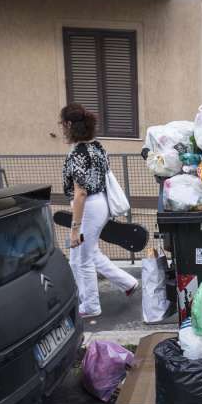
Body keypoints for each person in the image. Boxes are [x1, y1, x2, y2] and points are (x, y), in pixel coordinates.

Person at [60, 103, 138, 318]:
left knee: (79, 259)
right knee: (90, 252)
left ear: (68, 125)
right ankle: (128, 283)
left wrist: (74, 229)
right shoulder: (97, 147)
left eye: (62, 125)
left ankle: (90, 305)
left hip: (88, 206)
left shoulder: (77, 153)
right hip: (101, 204)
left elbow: (80, 193)